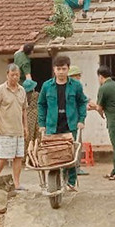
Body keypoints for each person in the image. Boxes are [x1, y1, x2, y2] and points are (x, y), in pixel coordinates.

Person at [37, 55, 87, 191]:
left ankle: (70, 181)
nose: (61, 72)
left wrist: (81, 120)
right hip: (52, 125)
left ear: (68, 69)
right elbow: (41, 104)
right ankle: (55, 180)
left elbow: (82, 102)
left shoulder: (76, 86)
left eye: (63, 69)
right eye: (58, 69)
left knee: (71, 153)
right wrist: (41, 123)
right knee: (54, 154)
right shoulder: (47, 86)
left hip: (71, 124)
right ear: (54, 69)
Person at [0, 64, 28, 190]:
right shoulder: (0, 90)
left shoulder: (22, 90)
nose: (15, 77)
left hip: (19, 131)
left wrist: (25, 127)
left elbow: (24, 110)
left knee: (18, 158)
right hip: (4, 130)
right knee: (2, 158)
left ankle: (16, 183)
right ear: (7, 75)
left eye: (17, 75)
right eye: (12, 75)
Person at [89, 65, 115, 180]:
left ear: (100, 76)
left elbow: (100, 108)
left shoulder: (103, 88)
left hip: (114, 120)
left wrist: (94, 107)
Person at [68, 65, 89, 176]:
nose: (79, 78)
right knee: (75, 145)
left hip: (76, 121)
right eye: (77, 76)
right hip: (72, 121)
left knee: (76, 144)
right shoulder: (73, 87)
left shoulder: (76, 87)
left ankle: (75, 167)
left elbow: (83, 101)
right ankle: (74, 168)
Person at [23, 79, 39, 153]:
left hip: (27, 117)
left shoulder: (23, 96)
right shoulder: (36, 95)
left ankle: (26, 155)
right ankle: (35, 155)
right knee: (37, 137)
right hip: (37, 117)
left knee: (27, 137)